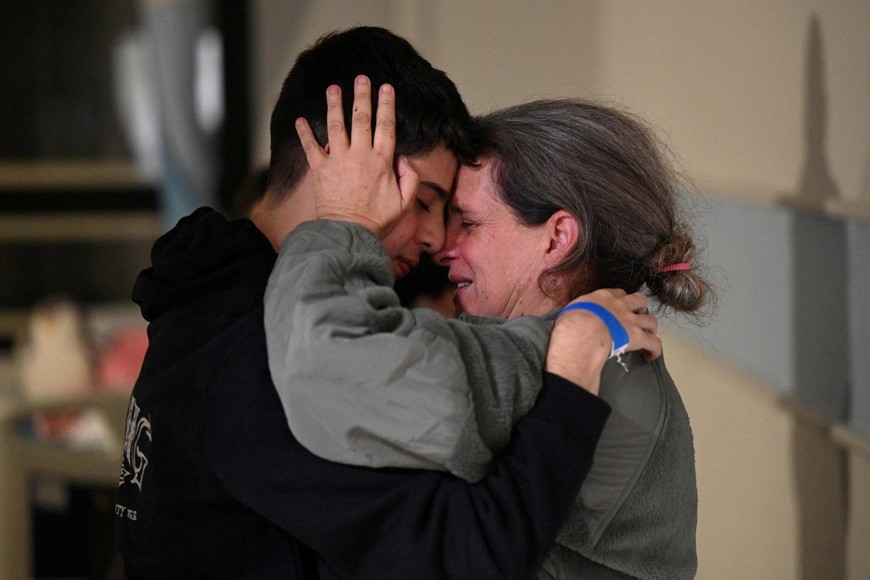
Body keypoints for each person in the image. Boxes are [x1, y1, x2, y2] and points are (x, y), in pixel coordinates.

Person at [115, 26, 660, 578]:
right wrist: (568, 380)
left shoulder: (210, 292)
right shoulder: (266, 356)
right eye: (424, 201)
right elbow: (465, 556)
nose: (435, 239)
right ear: (342, 162)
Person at [266, 98, 712, 578]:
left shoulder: (562, 355)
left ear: (558, 238)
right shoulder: (611, 355)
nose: (442, 246)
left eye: (470, 223)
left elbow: (327, 358)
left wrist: (343, 219)